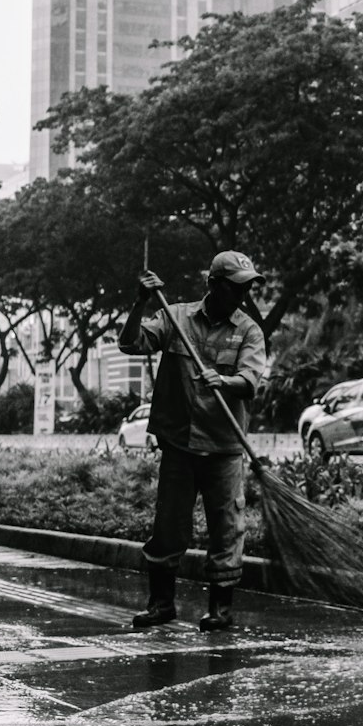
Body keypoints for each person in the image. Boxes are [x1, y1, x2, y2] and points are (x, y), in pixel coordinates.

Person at [118, 251, 267, 632]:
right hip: (179, 444)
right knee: (169, 526)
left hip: (224, 447)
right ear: (214, 285)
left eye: (247, 288)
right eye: (236, 288)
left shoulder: (249, 330)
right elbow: (131, 344)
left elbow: (251, 381)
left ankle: (221, 609)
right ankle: (161, 605)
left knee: (227, 528)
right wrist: (140, 303)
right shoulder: (175, 317)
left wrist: (225, 381)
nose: (242, 296)